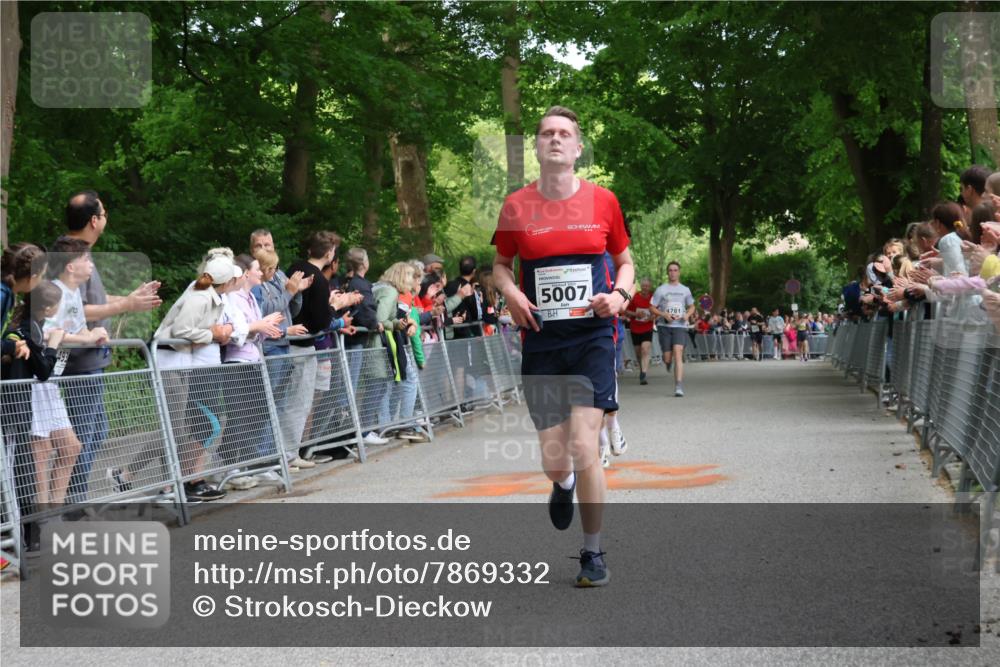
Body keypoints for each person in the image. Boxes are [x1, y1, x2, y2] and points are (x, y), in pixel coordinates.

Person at [492, 105, 634, 587]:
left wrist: (618, 296)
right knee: (555, 459)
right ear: (536, 146)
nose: (555, 139)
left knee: (584, 443)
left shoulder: (603, 202)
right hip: (543, 342)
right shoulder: (516, 206)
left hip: (593, 337)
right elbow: (500, 266)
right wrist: (510, 294)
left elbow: (625, 262)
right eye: (546, 133)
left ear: (577, 148)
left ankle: (592, 552)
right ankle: (564, 484)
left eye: (564, 134)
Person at [60, 191, 162, 503]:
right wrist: (127, 304)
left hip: (92, 360)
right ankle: (73, 501)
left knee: (96, 432)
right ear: (94, 221)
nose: (106, 218)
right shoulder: (69, 256)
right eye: (104, 213)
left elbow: (97, 303)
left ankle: (75, 499)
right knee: (82, 436)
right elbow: (72, 309)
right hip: (79, 361)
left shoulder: (83, 255)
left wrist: (131, 301)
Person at [151, 256, 243, 501]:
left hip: (183, 362)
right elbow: (181, 331)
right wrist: (211, 333)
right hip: (169, 360)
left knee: (187, 427)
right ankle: (170, 487)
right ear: (225, 282)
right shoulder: (200, 296)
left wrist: (213, 333)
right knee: (177, 428)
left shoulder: (211, 296)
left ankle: (182, 483)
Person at [651, 261, 694, 396]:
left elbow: (692, 306)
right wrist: (664, 314)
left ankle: (678, 387)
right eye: (670, 270)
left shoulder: (685, 290)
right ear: (667, 272)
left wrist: (687, 315)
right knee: (668, 358)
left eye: (675, 270)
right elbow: (651, 306)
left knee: (678, 353)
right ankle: (667, 363)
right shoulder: (661, 289)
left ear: (679, 272)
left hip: (680, 326)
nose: (673, 272)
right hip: (664, 326)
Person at [626, 278, 655, 383]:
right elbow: (626, 310)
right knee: (638, 353)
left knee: (645, 349)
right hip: (635, 328)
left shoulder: (653, 298)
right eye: (643, 286)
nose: (645, 288)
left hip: (648, 327)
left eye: (647, 286)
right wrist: (635, 314)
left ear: (650, 287)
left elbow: (658, 311)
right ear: (641, 286)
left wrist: (653, 316)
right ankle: (642, 368)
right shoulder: (635, 297)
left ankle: (643, 374)